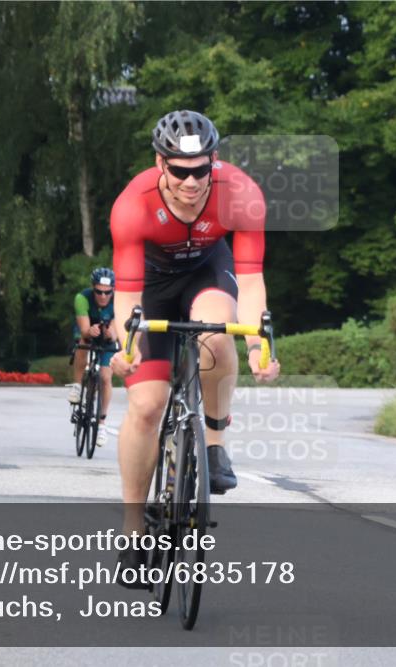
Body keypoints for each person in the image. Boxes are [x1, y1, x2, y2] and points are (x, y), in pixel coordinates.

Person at [108, 110, 280, 580]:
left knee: (218, 336)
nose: (191, 181)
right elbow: (126, 297)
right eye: (179, 171)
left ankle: (216, 443)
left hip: (207, 271)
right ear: (159, 163)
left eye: (201, 170)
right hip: (150, 284)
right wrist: (127, 346)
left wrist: (257, 348)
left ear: (214, 161)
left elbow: (251, 282)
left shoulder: (240, 194)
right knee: (147, 406)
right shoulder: (133, 205)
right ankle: (132, 531)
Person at [68, 267, 117, 447]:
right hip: (87, 331)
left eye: (107, 292)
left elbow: (115, 334)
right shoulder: (82, 298)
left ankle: (102, 424)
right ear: (92, 288)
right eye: (98, 292)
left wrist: (109, 333)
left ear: (113, 290)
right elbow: (84, 329)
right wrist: (90, 331)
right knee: (83, 342)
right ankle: (77, 385)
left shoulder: (119, 301)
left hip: (107, 338)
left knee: (105, 377)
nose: (103, 296)